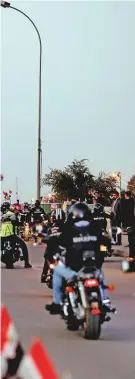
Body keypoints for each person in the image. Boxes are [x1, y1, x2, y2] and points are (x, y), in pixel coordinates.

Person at [45, 202, 111, 315]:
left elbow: (56, 242)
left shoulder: (69, 230)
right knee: (101, 276)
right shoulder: (95, 229)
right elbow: (106, 242)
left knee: (56, 271)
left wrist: (50, 242)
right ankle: (105, 301)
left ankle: (56, 303)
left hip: (75, 269)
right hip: (94, 267)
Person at [0, 202, 32, 268]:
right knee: (23, 245)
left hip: (2, 236)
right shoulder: (12, 215)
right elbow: (16, 223)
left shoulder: (2, 216)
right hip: (11, 235)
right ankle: (26, 263)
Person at [41, 209, 65, 282]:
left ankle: (44, 274)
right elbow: (44, 234)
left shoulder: (66, 227)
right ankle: (44, 274)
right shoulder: (50, 227)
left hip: (62, 249)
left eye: (52, 217)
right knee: (47, 255)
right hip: (54, 249)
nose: (51, 219)